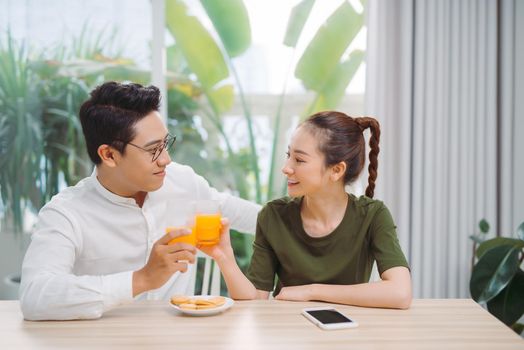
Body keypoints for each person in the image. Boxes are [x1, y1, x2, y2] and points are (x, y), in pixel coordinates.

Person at [19, 82, 261, 320]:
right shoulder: (66, 213)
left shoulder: (182, 181)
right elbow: (35, 295)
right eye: (153, 150)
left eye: (165, 144)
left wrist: (298, 211)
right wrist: (142, 279)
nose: (166, 159)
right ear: (109, 155)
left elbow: (255, 217)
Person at [202, 111, 412, 309]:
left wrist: (312, 291)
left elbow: (400, 293)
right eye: (288, 155)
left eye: (299, 160)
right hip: (288, 335)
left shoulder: (373, 215)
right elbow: (256, 299)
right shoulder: (273, 215)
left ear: (336, 170)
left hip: (346, 333)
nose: (286, 167)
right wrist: (225, 258)